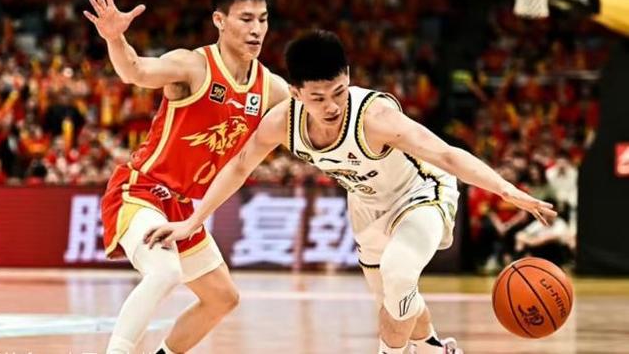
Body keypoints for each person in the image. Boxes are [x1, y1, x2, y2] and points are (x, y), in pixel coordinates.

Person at [144, 30, 557, 354]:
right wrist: (193, 221)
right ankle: (433, 347)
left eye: (339, 92)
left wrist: (507, 190)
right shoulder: (282, 122)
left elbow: (446, 154)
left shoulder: (375, 117)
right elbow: (238, 167)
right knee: (393, 300)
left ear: (348, 78)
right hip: (366, 206)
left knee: (398, 275)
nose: (331, 106)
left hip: (421, 193)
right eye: (318, 97)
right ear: (295, 93)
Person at [83, 0, 289, 354]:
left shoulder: (270, 87)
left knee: (222, 298)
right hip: (141, 190)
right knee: (165, 272)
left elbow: (310, 117)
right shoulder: (193, 65)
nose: (257, 29)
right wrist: (115, 38)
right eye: (246, 19)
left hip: (181, 207)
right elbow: (135, 71)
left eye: (263, 19)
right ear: (219, 21)